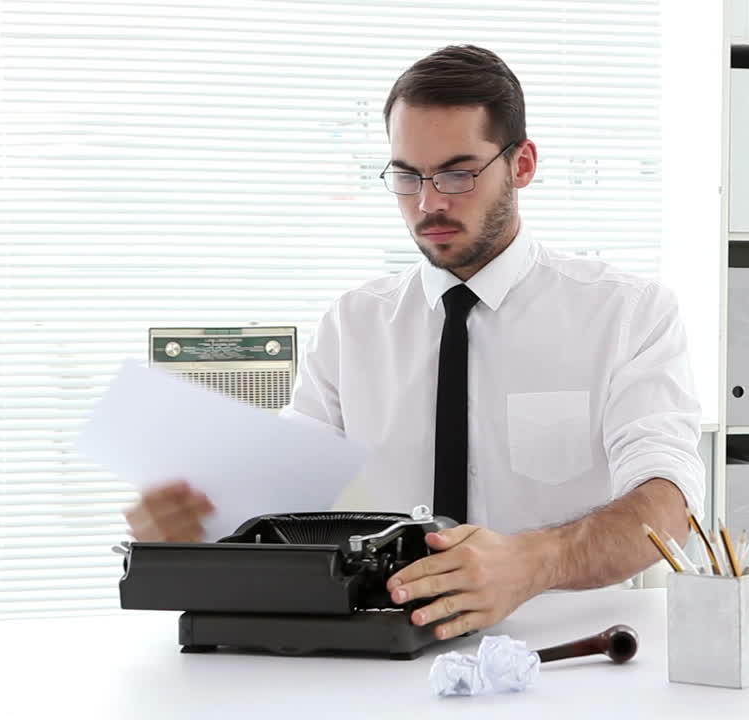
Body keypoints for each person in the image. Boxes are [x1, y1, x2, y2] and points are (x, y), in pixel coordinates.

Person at [124, 45, 704, 641]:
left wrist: (534, 562)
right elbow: (291, 503)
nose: (429, 204)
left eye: (458, 173)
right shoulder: (353, 326)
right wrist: (201, 528)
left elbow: (668, 504)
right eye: (407, 176)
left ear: (522, 164)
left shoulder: (627, 313)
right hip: (378, 648)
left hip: (565, 647)